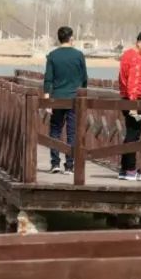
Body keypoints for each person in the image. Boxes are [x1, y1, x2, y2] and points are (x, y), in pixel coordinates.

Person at [42, 26, 88, 175]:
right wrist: (82, 94)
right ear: (71, 38)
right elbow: (84, 78)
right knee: (72, 132)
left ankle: (55, 163)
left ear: (59, 38)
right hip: (74, 98)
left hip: (57, 98)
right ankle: (69, 166)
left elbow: (48, 79)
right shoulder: (79, 55)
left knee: (55, 130)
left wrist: (47, 99)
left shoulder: (52, 55)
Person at [117, 30, 141, 180]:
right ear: (139, 42)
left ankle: (124, 169)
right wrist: (134, 106)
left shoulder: (126, 55)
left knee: (130, 134)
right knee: (133, 136)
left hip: (126, 98)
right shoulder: (137, 59)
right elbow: (133, 83)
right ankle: (131, 170)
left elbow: (122, 79)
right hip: (136, 99)